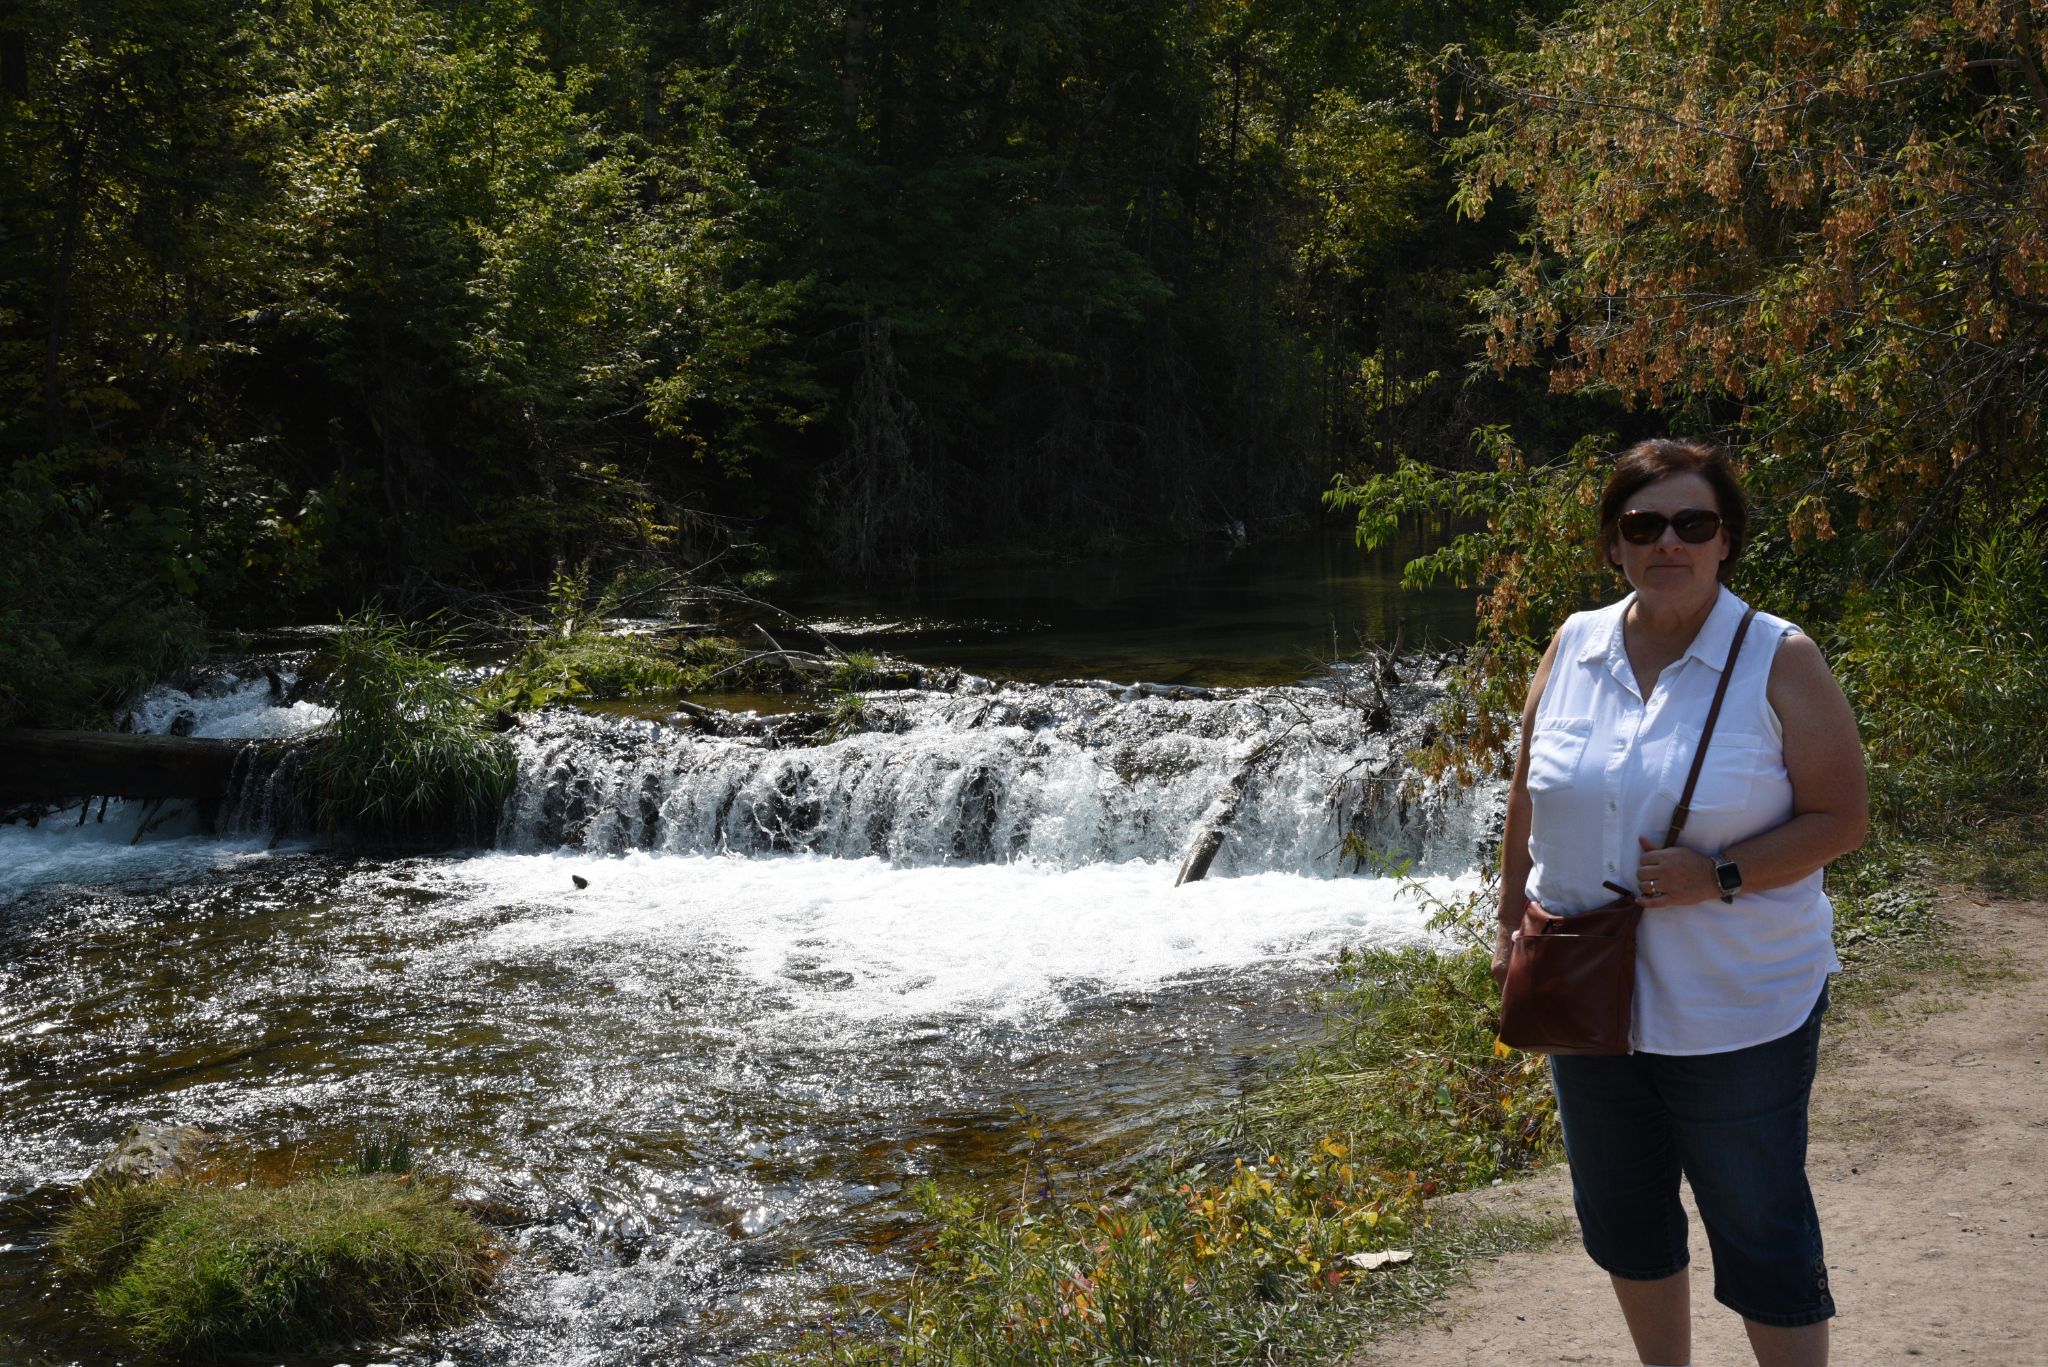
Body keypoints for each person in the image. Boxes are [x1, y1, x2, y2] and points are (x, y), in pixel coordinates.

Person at [1492, 438, 1868, 1367]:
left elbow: (1842, 817)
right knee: (1622, 1215)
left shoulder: (1780, 658)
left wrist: (1721, 873)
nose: (1670, 541)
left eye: (1693, 523)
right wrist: (1508, 925)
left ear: (1726, 541)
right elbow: (1527, 796)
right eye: (1643, 523)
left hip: (1739, 1004)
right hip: (1585, 995)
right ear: (1613, 543)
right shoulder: (1572, 644)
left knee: (1758, 1221)